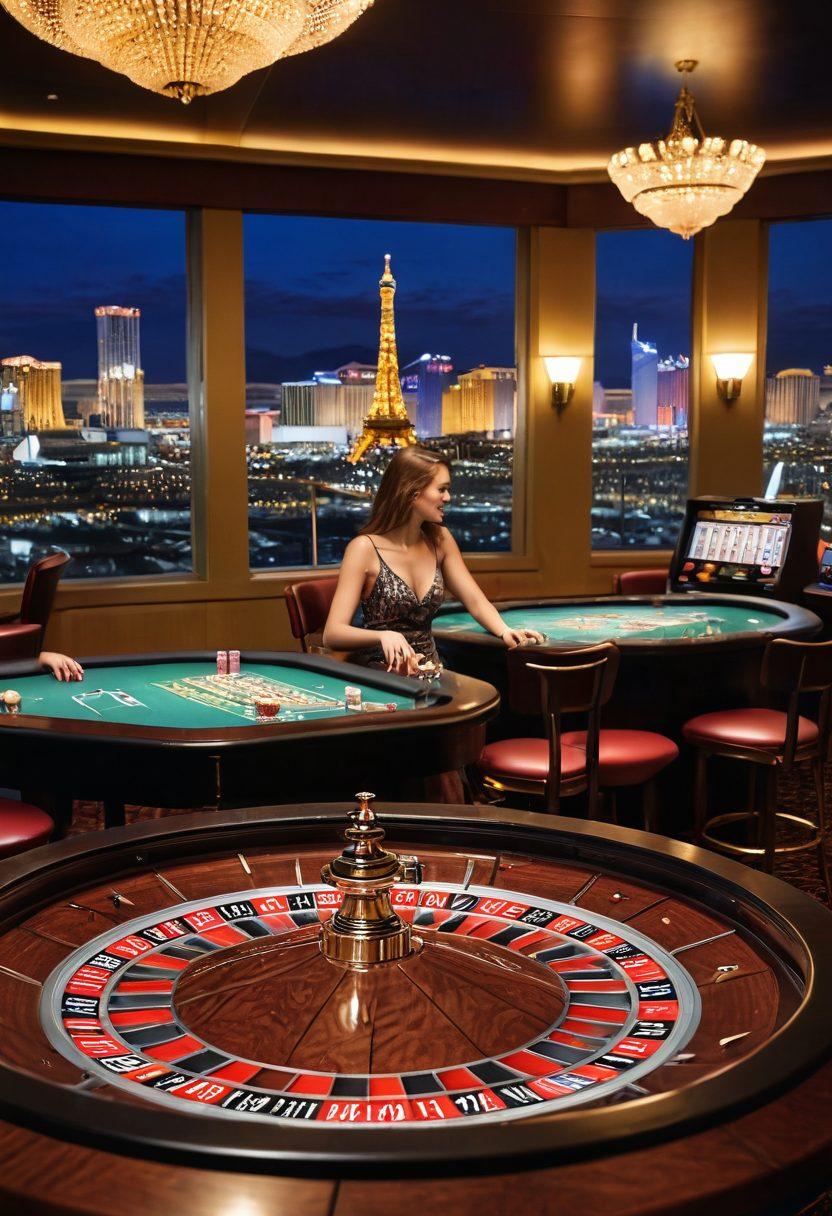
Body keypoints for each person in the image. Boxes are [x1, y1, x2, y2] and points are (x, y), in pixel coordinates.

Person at [324, 446, 544, 674]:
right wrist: (383, 636)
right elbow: (333, 634)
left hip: (432, 672)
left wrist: (504, 631)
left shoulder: (440, 539)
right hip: (380, 675)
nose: (447, 497)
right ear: (412, 492)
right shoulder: (363, 549)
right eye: (442, 489)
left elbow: (476, 601)